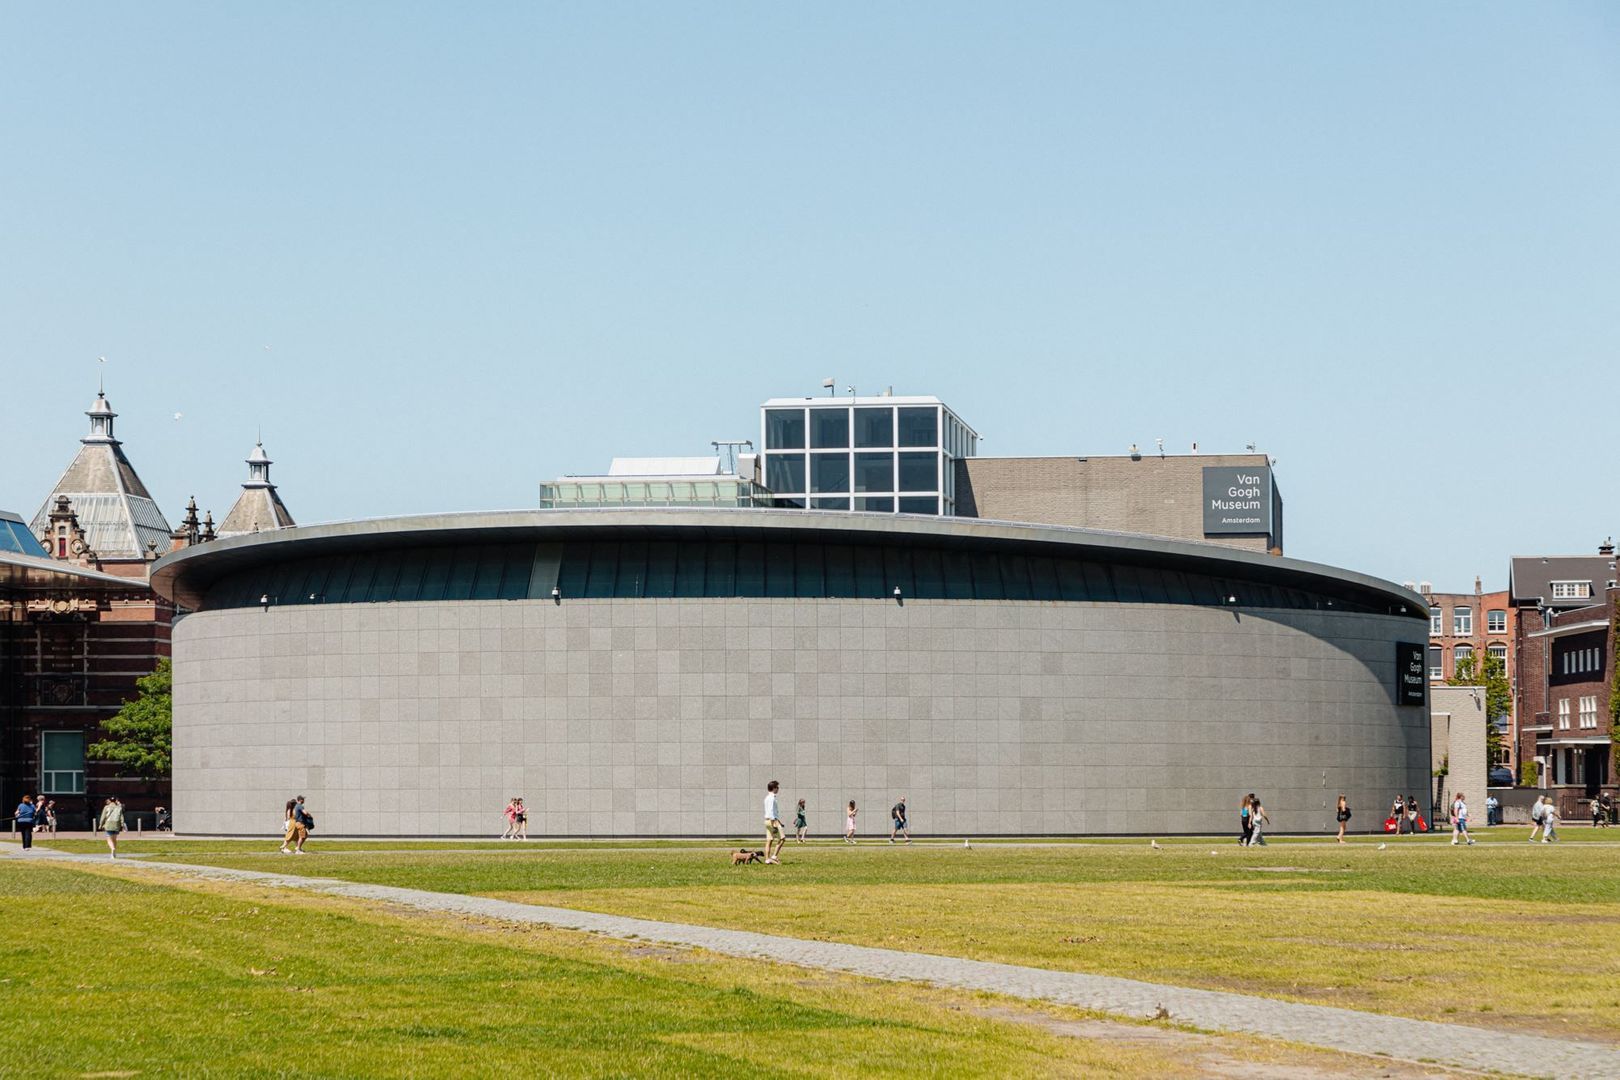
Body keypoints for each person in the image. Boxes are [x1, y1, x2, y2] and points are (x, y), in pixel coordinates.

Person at [762, 780, 784, 865]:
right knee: (782, 839)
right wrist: (774, 824)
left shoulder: (767, 798)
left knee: (769, 840)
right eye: (777, 787)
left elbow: (770, 812)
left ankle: (767, 859)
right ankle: (774, 857)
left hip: (767, 820)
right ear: (774, 788)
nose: (778, 789)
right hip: (772, 821)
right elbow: (771, 811)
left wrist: (779, 822)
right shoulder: (772, 798)